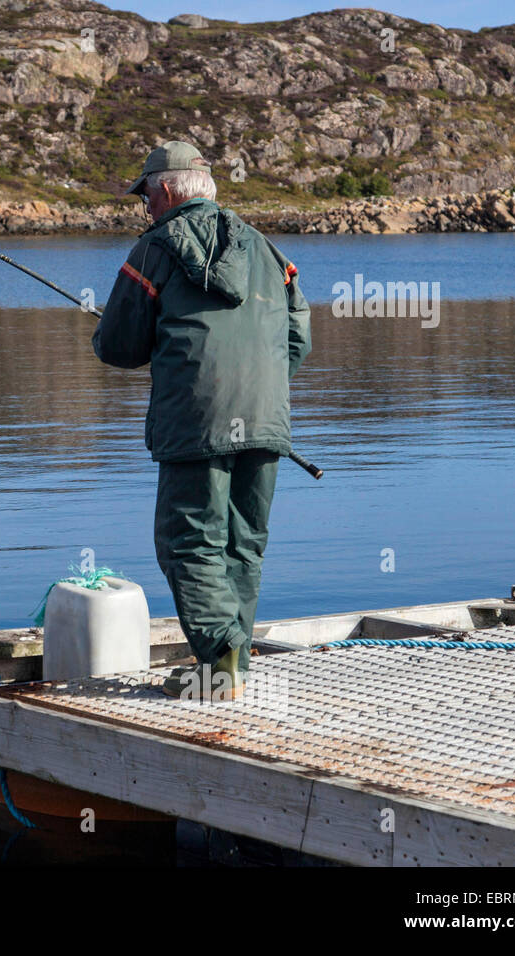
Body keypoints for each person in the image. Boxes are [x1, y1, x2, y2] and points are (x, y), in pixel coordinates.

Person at [92, 141, 311, 701]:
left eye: (146, 195)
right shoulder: (265, 248)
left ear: (166, 190)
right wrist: (263, 382)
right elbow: (298, 335)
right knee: (244, 541)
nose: (144, 207)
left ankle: (218, 662)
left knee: (188, 542)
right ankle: (228, 663)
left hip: (196, 420)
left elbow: (117, 345)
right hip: (266, 419)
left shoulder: (155, 250)